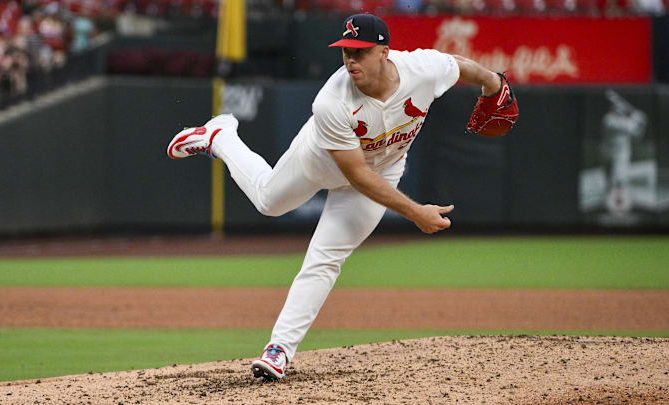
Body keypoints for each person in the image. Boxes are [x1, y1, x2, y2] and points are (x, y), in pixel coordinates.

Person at [167, 13, 505, 381]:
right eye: (346, 51)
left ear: (385, 52)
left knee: (325, 258)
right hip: (320, 160)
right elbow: (357, 175)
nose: (350, 60)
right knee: (268, 202)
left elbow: (459, 67)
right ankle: (221, 137)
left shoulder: (422, 68)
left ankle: (278, 350)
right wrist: (415, 213)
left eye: (360, 52)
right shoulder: (332, 100)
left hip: (383, 171)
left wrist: (492, 82)